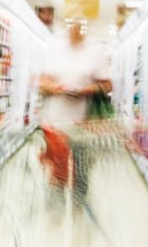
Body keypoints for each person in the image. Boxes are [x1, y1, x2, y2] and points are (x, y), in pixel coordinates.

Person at [39, 18, 110, 203]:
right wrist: (57, 88)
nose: (75, 28)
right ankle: (56, 209)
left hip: (82, 122)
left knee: (81, 170)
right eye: (71, 23)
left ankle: (79, 208)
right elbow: (43, 82)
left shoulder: (95, 51)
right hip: (55, 122)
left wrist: (84, 90)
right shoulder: (55, 48)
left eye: (80, 24)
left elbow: (107, 85)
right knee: (57, 170)